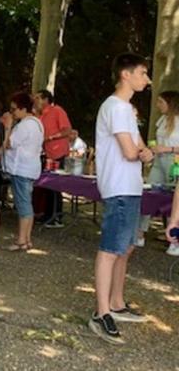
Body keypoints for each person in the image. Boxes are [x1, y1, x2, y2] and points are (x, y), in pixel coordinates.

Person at [89, 53, 154, 344]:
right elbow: (132, 151)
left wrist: (146, 151)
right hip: (118, 186)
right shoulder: (115, 107)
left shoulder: (127, 109)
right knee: (110, 249)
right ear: (125, 74)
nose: (147, 79)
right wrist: (143, 152)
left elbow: (141, 148)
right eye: (142, 72)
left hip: (130, 186)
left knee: (125, 248)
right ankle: (101, 312)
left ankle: (116, 302)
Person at [0, 92, 44, 252]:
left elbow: (8, 144)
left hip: (21, 169)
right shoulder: (37, 123)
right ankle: (26, 238)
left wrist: (7, 127)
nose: (12, 113)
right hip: (30, 168)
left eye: (14, 109)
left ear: (24, 109)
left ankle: (22, 240)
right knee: (26, 203)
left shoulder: (25, 125)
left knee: (23, 205)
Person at [138, 90, 179, 253]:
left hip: (174, 162)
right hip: (159, 161)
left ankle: (174, 239)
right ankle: (140, 232)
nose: (158, 105)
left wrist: (168, 148)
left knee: (173, 200)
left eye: (161, 102)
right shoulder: (161, 120)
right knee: (149, 193)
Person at [34, 89, 73, 227]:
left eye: (38, 98)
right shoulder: (41, 116)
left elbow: (67, 130)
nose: (35, 100)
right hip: (48, 154)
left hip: (58, 152)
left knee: (55, 185)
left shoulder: (57, 111)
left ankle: (57, 217)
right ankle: (47, 214)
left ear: (46, 99)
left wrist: (50, 138)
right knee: (48, 185)